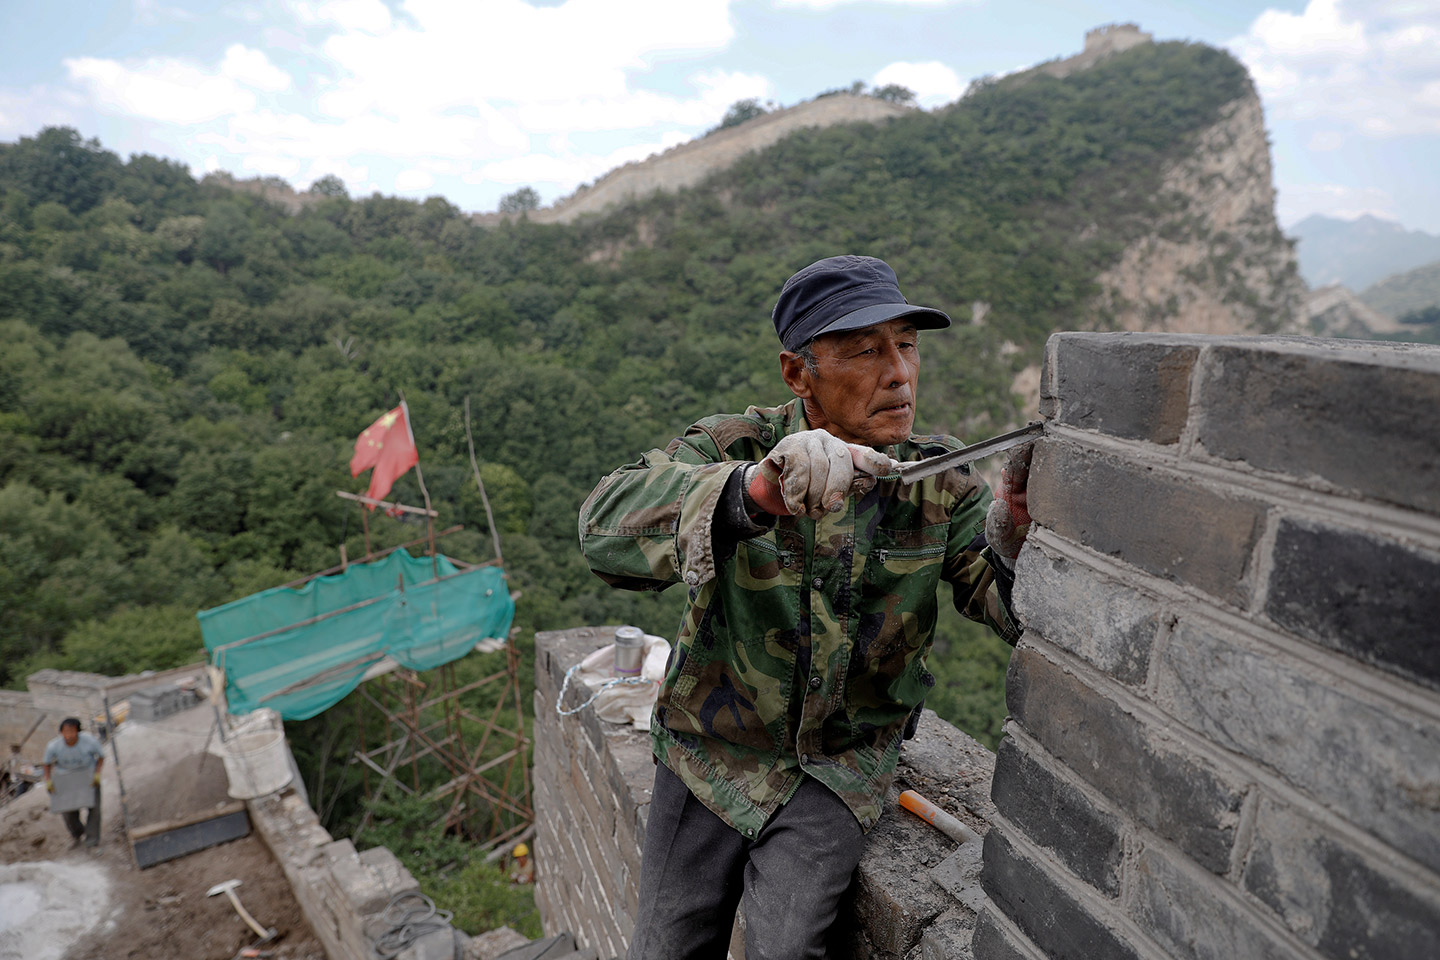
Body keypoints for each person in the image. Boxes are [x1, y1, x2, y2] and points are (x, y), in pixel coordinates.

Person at [579, 255, 1032, 959]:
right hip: (708, 750)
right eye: (863, 351)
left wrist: (1019, 540)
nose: (900, 374)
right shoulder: (738, 448)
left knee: (787, 948)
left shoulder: (939, 482)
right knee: (664, 947)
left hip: (836, 768)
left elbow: (1010, 610)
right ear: (798, 373)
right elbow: (603, 528)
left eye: (906, 346)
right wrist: (753, 492)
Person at [43, 717, 105, 848]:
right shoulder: (54, 746)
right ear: (61, 733)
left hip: (87, 777)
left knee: (94, 809)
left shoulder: (89, 741)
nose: (68, 735)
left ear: (78, 732)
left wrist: (97, 774)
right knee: (68, 812)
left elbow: (101, 756)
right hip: (66, 779)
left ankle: (92, 840)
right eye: (65, 732)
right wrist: (48, 781)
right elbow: (47, 763)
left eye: (72, 731)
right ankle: (77, 833)